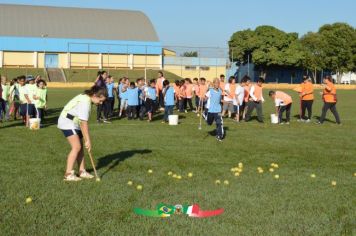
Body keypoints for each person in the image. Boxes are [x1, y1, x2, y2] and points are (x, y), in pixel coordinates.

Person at [58, 85, 107, 181]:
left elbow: (82, 122)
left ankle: (82, 171)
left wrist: (86, 139)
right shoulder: (85, 102)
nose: (100, 103)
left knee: (80, 148)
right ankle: (68, 174)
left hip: (75, 122)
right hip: (67, 121)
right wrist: (88, 140)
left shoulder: (87, 98)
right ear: (94, 95)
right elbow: (84, 123)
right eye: (100, 100)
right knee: (76, 147)